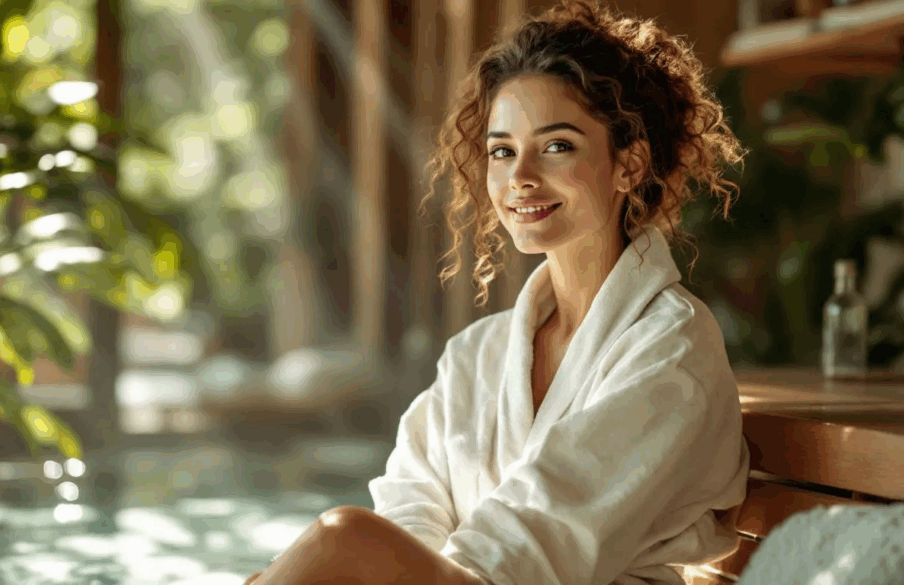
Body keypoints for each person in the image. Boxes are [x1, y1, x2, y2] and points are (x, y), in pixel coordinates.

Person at [244, 0, 750, 583]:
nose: (520, 178)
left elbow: (543, 535)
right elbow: (412, 500)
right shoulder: (477, 354)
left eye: (557, 146)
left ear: (629, 164)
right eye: (502, 151)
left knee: (342, 536)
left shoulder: (670, 349)